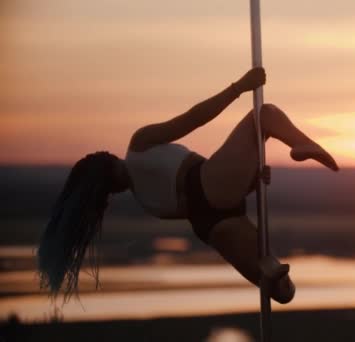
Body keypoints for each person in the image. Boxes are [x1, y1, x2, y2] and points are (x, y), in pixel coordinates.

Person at [37, 67, 339, 304]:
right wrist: (239, 87)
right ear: (109, 159)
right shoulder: (138, 145)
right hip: (209, 184)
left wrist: (250, 182)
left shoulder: (146, 202)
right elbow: (192, 119)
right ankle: (302, 144)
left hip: (211, 225)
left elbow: (205, 203)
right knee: (265, 115)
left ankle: (269, 270)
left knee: (283, 292)